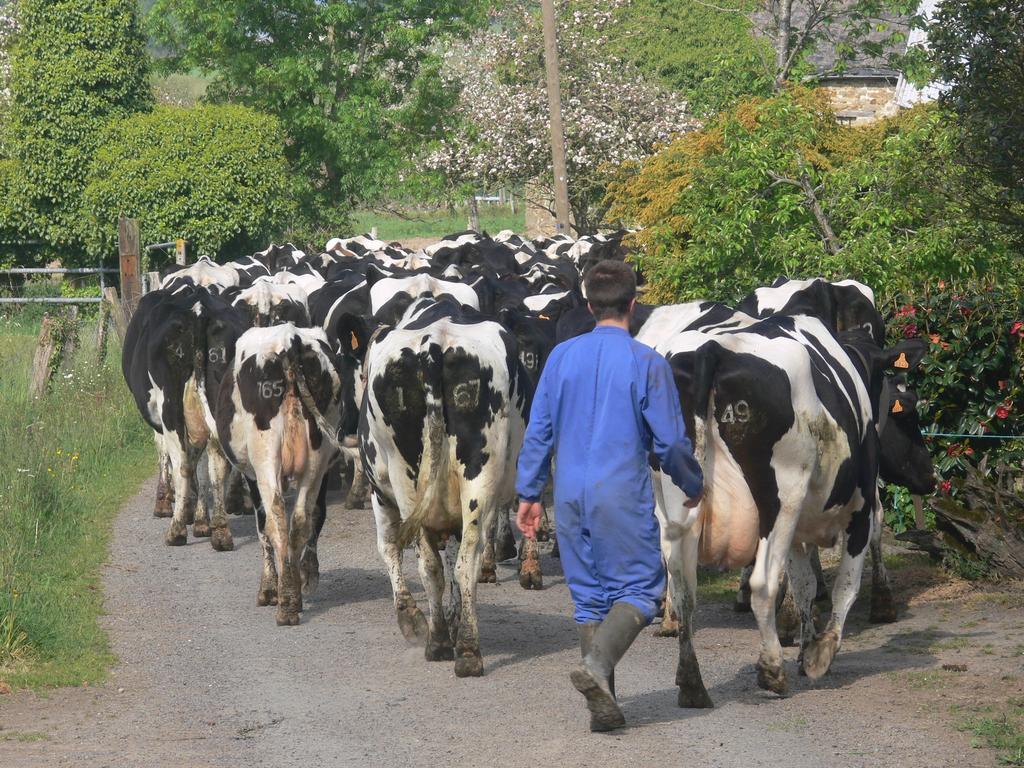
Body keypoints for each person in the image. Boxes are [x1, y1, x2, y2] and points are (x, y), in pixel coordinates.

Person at [515, 260, 704, 732]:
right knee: (643, 591)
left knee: (589, 598)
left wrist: (529, 492)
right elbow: (670, 443)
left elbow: (538, 430)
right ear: (633, 306)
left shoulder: (560, 357)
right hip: (620, 490)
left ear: (587, 305)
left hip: (571, 492)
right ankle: (597, 668)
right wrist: (694, 482)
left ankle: (604, 710)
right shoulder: (647, 362)